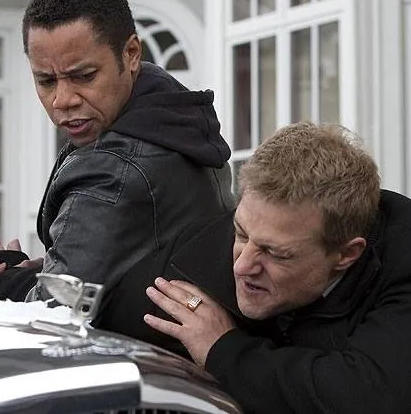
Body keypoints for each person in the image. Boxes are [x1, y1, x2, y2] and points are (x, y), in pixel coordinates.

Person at [0, 0, 234, 349]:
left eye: (84, 76)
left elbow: (50, 323)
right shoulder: (179, 123)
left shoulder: (114, 172)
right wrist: (25, 272)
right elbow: (122, 269)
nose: (62, 100)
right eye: (46, 81)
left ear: (131, 54)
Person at [144, 121, 411, 414]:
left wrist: (224, 350)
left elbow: (371, 397)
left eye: (275, 253)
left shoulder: (401, 259)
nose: (242, 266)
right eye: (240, 234)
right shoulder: (209, 246)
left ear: (346, 254)